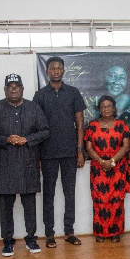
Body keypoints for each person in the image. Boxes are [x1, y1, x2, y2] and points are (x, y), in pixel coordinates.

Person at [0, 74, 49, 256]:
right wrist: (5, 139)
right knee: (5, 206)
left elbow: (45, 131)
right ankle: (8, 241)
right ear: (5, 89)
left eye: (16, 86)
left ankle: (31, 238)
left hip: (28, 164)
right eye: (10, 86)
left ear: (22, 89)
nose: (13, 89)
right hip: (5, 165)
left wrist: (27, 139)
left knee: (29, 204)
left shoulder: (33, 108)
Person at [33, 56, 86, 248]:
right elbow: (35, 128)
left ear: (64, 71)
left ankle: (69, 231)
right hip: (47, 153)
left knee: (69, 193)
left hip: (70, 152)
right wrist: (37, 155)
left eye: (59, 68)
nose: (56, 71)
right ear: (47, 71)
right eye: (52, 68)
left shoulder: (73, 93)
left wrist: (80, 150)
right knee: (48, 194)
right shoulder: (40, 95)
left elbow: (80, 124)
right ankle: (49, 234)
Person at [84, 95, 130, 243]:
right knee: (100, 200)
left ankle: (115, 232)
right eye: (103, 106)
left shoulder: (122, 125)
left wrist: (112, 161)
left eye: (109, 106)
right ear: (99, 109)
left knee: (117, 200)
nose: (106, 109)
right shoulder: (92, 126)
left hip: (118, 167)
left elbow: (126, 146)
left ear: (114, 108)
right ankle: (101, 232)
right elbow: (88, 147)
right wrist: (101, 161)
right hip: (98, 168)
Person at [103, 63, 130, 130]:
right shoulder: (95, 102)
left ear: (127, 82)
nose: (117, 82)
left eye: (122, 78)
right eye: (112, 76)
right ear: (104, 78)